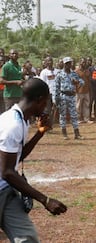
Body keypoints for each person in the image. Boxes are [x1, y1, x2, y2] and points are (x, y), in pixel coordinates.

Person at [0, 78, 67, 242]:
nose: (46, 106)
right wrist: (45, 200)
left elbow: (17, 157)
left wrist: (39, 133)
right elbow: (7, 172)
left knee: (27, 239)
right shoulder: (12, 124)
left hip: (5, 191)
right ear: (39, 99)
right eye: (45, 102)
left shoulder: (21, 120)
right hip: (5, 184)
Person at [53, 57, 84, 140]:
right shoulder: (59, 74)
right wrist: (55, 99)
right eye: (66, 63)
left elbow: (82, 82)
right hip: (63, 96)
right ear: (63, 64)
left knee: (74, 115)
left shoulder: (73, 74)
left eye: (69, 63)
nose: (68, 65)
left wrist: (77, 82)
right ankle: (64, 134)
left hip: (72, 96)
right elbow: (56, 87)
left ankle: (76, 134)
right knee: (62, 115)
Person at [39, 56, 57, 127]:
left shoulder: (57, 71)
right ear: (45, 63)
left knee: (54, 110)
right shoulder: (44, 72)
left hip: (56, 93)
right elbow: (42, 83)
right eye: (48, 61)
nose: (50, 62)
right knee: (47, 110)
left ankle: (50, 124)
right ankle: (45, 125)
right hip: (47, 93)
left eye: (51, 60)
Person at [75, 57, 93, 124]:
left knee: (86, 105)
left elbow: (89, 80)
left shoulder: (87, 71)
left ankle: (86, 118)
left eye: (85, 62)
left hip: (86, 91)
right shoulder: (76, 71)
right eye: (82, 62)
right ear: (80, 63)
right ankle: (78, 119)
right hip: (79, 91)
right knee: (78, 106)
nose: (84, 63)